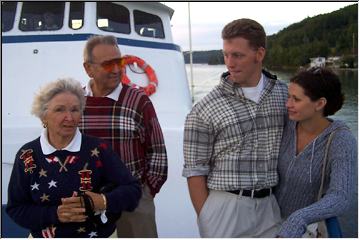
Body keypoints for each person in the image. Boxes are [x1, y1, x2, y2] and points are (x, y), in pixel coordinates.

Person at [182, 18, 288, 238]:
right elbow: (195, 170)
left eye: (238, 55)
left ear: (259, 54)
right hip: (226, 208)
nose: (230, 62)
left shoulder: (284, 95)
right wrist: (207, 217)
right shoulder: (204, 109)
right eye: (226, 54)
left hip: (271, 205)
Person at [6, 78, 141, 238]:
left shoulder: (99, 149)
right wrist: (55, 214)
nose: (69, 117)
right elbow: (16, 208)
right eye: (60, 110)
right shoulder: (27, 155)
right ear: (43, 116)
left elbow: (133, 190)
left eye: (75, 109)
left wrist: (102, 201)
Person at [80, 35, 167, 237]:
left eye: (119, 61)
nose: (117, 69)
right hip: (87, 203)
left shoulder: (139, 101)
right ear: (88, 69)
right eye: (108, 64)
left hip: (132, 203)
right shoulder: (75, 102)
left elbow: (157, 151)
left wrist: (144, 194)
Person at [274, 67, 357, 237]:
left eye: (296, 99)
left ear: (320, 104)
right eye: (289, 97)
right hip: (267, 216)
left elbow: (341, 197)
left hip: (306, 228)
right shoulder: (287, 124)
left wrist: (299, 218)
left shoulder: (340, 140)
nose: (287, 104)